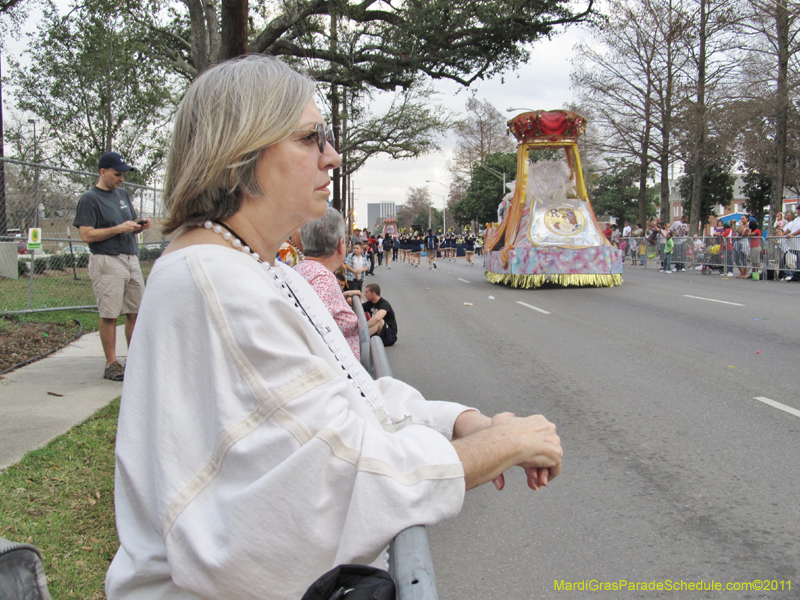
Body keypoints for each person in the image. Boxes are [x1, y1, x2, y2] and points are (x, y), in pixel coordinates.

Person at [105, 56, 562, 600]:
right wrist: (503, 446)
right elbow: (339, 478)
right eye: (309, 138)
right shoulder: (215, 281)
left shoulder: (263, 268)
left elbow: (354, 395)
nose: (333, 156)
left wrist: (463, 422)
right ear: (240, 155)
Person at [73, 151, 152, 381]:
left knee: (135, 311)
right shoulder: (90, 198)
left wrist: (139, 226)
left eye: (123, 175)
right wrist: (118, 228)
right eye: (117, 174)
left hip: (130, 258)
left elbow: (128, 224)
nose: (121, 179)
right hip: (107, 260)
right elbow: (86, 235)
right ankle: (111, 364)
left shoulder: (123, 195)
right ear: (102, 172)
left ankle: (135, 360)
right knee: (109, 314)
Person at [294, 208, 362, 360]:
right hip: (335, 371)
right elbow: (310, 323)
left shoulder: (298, 269)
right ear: (340, 244)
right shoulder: (323, 278)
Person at [362, 282, 398, 347]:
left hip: (389, 335)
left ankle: (360, 339)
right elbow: (357, 309)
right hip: (378, 334)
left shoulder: (384, 304)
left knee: (378, 321)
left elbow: (377, 318)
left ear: (373, 294)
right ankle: (358, 337)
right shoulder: (370, 303)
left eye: (366, 292)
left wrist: (362, 327)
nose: (364, 295)